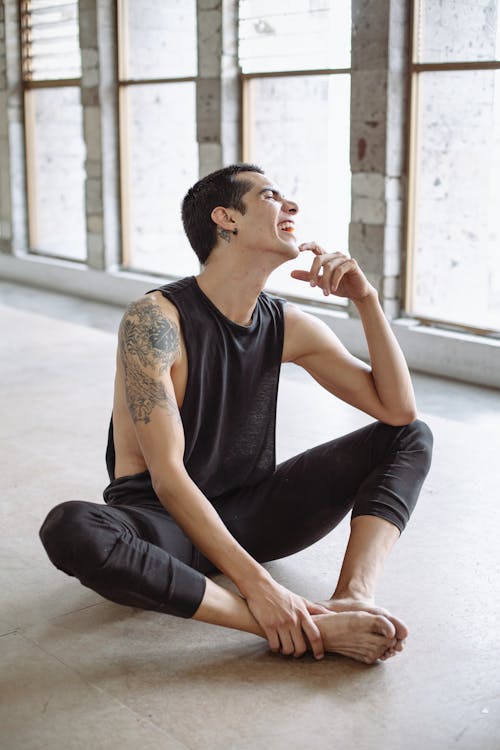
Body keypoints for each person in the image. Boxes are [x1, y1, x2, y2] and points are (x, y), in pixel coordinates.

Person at [40, 164, 433, 664]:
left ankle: (353, 597)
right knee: (71, 528)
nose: (291, 206)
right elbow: (167, 478)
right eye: (271, 196)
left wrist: (367, 299)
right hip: (163, 525)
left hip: (252, 514)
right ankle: (307, 626)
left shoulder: (288, 324)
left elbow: (398, 410)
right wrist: (263, 590)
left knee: (409, 436)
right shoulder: (155, 319)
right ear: (225, 218)